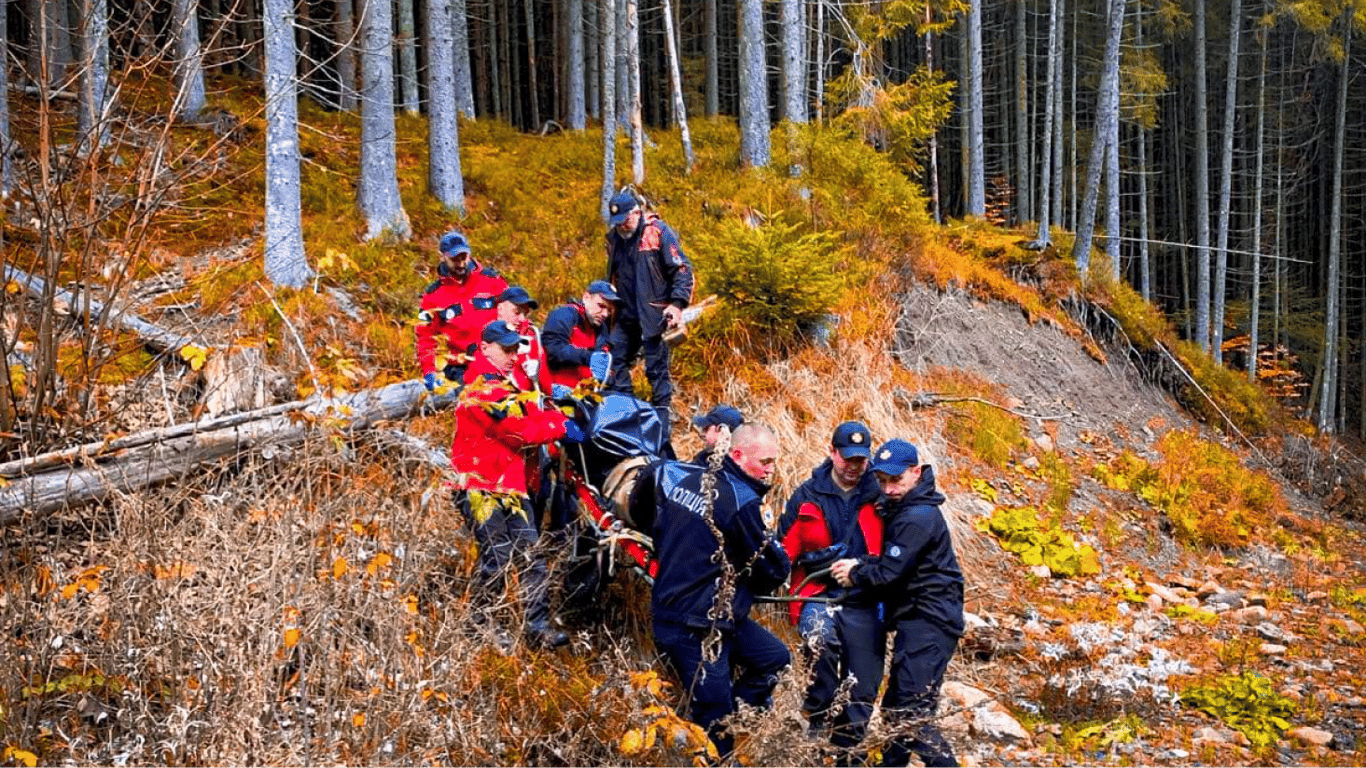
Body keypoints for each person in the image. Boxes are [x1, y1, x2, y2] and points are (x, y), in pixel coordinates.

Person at [641, 423, 791, 759]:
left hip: (708, 613)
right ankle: (712, 749)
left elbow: (651, 520)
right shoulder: (741, 501)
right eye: (764, 461)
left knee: (775, 658)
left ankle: (731, 716)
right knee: (715, 719)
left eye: (774, 462)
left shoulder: (687, 478)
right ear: (737, 455)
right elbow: (772, 568)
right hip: (693, 625)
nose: (770, 469)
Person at [451, 320, 588, 650]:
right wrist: (560, 425)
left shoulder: (505, 384)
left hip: (509, 486)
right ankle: (481, 626)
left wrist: (560, 418)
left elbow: (532, 418)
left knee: (531, 556)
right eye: (506, 349)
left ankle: (536, 627)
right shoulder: (481, 387)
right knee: (497, 557)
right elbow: (519, 432)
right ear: (485, 348)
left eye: (516, 349)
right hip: (480, 486)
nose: (513, 356)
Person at [831, 440, 964, 768]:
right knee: (895, 710)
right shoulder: (904, 505)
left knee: (912, 714)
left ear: (916, 473)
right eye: (883, 481)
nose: (889, 489)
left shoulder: (917, 516)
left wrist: (856, 572)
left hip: (931, 621)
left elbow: (889, 572)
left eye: (896, 481)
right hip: (916, 619)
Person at [778, 421, 885, 757]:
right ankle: (818, 716)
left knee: (863, 681)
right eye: (847, 458)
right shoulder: (807, 494)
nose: (854, 467)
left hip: (865, 597)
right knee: (819, 639)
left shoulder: (881, 494)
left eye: (861, 460)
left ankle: (849, 744)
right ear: (832, 452)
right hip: (817, 592)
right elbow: (782, 548)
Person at [603, 190, 694, 430]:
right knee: (613, 360)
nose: (622, 225)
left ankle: (661, 430)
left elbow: (682, 269)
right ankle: (629, 416)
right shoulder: (613, 239)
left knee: (657, 374)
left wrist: (677, 304)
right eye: (617, 221)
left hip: (655, 314)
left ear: (637, 212)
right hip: (624, 314)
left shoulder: (658, 232)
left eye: (626, 219)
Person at [415, 231, 508, 392]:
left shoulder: (492, 281)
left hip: (499, 360)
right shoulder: (431, 296)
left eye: (463, 257)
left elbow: (514, 314)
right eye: (454, 259)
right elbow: (425, 337)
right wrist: (429, 371)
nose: (460, 263)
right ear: (442, 257)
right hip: (462, 369)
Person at [542, 279, 621, 394]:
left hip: (587, 392)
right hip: (557, 389)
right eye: (601, 306)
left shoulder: (600, 326)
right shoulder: (564, 315)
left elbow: (605, 356)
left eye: (609, 310)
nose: (605, 314)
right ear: (586, 297)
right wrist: (589, 357)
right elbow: (553, 351)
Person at [495, 285, 552, 396]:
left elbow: (547, 389)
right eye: (516, 312)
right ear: (500, 309)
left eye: (525, 313)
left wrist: (539, 373)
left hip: (529, 401)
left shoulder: (532, 338)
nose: (522, 319)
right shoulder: (485, 338)